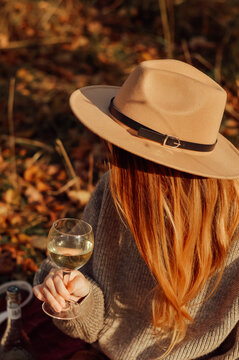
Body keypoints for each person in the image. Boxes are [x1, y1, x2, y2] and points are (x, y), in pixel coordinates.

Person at [33, 59, 239, 360]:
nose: (108, 153)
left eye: (116, 145)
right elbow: (91, 323)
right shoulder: (115, 189)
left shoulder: (232, 228)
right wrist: (77, 296)